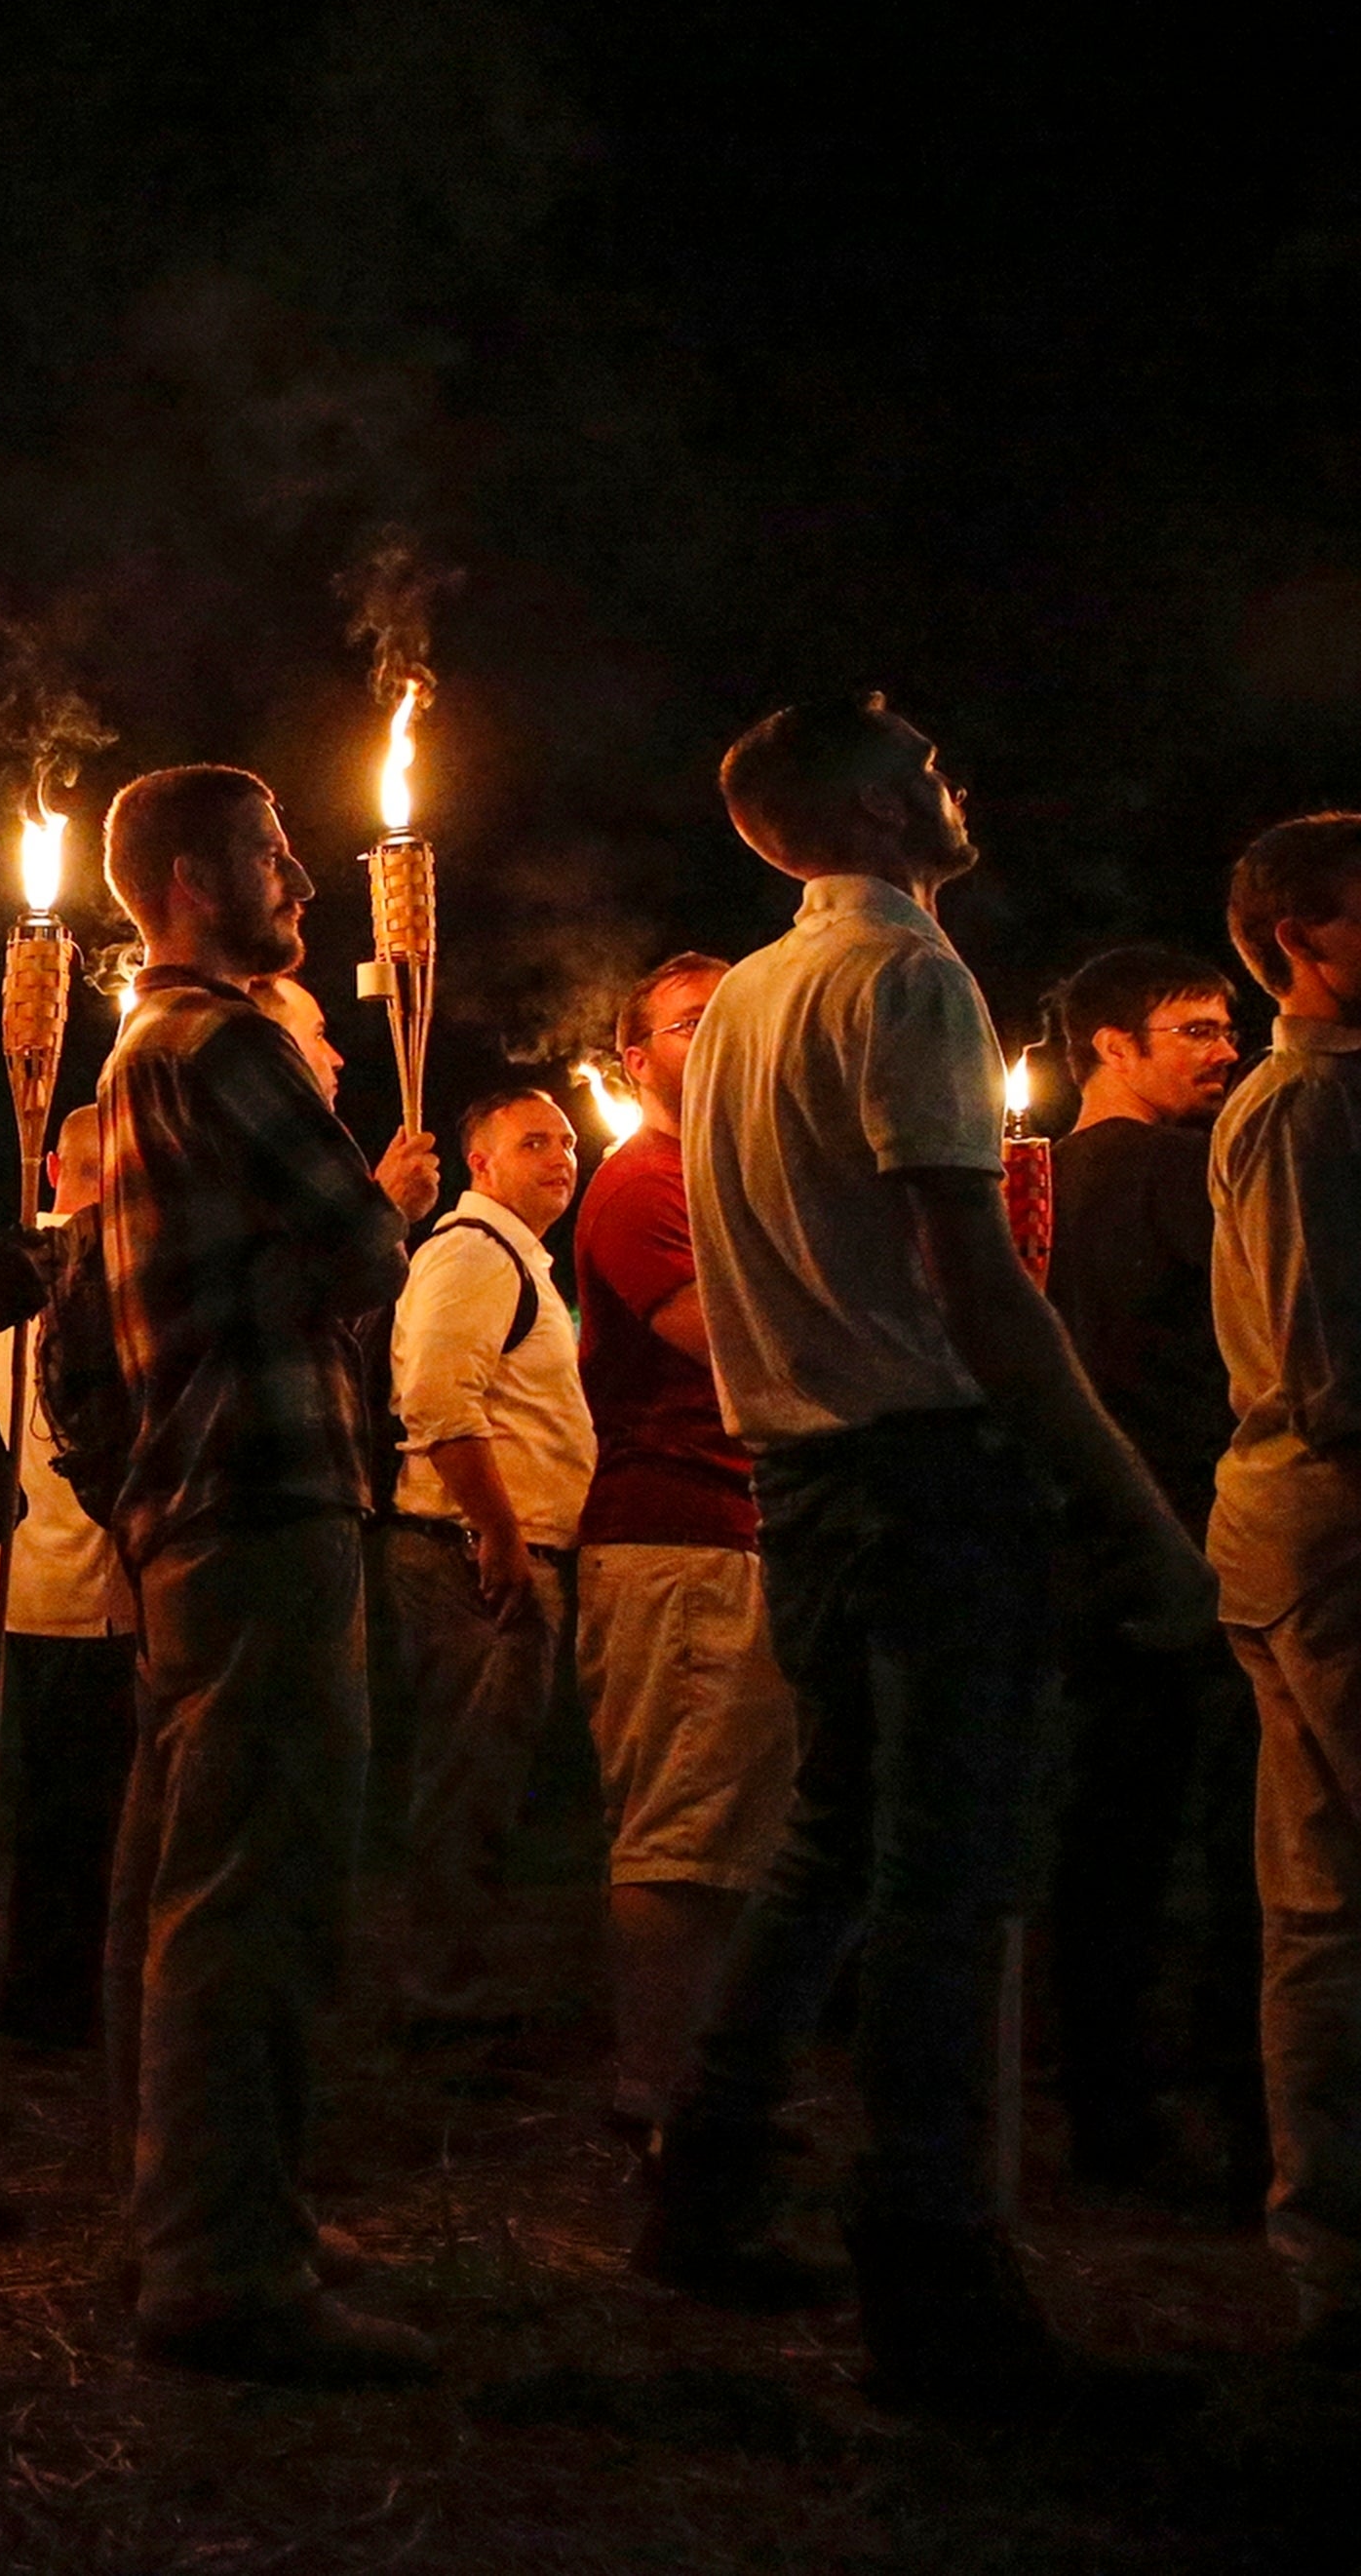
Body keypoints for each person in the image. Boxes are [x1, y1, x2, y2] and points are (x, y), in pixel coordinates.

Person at [638, 696, 1214, 2421]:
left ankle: (703, 2185)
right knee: (949, 1881)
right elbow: (972, 1271)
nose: (958, 780)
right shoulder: (906, 982)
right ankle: (937, 2288)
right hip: (920, 1464)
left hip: (801, 1469)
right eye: (934, 766)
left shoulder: (744, 999)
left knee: (832, 1844)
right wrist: (1125, 1506)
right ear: (887, 808)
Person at [95, 765, 442, 2391]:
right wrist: (387, 1198)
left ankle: (186, 2211)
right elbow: (362, 1255)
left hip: (191, 1500)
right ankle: (227, 2263)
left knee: (185, 1879)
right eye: (268, 853)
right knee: (257, 1885)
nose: (301, 877)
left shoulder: (140, 1055)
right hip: (269, 1490)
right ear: (183, 876)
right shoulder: (226, 1042)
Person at [1042, 941, 1259, 2200]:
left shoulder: (1034, 1186)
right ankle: (1223, 2098)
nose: (1223, 1048)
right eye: (1193, 1029)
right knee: (1218, 1832)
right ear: (1110, 1048)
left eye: (1227, 1026)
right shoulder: (1186, 1173)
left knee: (1104, 1827)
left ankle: (1103, 2096)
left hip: (1082, 1538)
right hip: (1185, 1537)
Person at [572, 954, 796, 2145]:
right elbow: (732, 1340)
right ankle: (658, 2087)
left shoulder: (733, 1176)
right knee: (682, 1828)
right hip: (675, 1538)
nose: (722, 1040)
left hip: (743, 1533)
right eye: (695, 1022)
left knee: (744, 1827)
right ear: (635, 1056)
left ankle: (714, 2085)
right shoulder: (642, 1183)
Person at [1207, 813, 1361, 2361]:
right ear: (1299, 941)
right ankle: (1331, 2250)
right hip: (1332, 1528)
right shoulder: (1311, 1107)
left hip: (1304, 1521)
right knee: (1325, 1895)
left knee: (1327, 1893)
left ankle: (1329, 2244)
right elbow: (1334, 1371)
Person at [381, 1083, 593, 2029]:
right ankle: (441, 1997)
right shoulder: (473, 1251)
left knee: (487, 1778)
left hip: (492, 1551)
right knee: (466, 1781)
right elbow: (435, 1398)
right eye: (533, 1140)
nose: (561, 1156)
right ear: (482, 1163)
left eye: (568, 1141)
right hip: (469, 1558)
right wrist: (500, 1534)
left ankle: (455, 1981)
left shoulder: (518, 1260)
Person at [0, 1106, 139, 2054]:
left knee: (80, 1798)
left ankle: (63, 1982)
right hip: (54, 1573)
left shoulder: (75, 1259)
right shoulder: (47, 1264)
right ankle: (49, 1995)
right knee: (68, 1804)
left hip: (66, 1570)